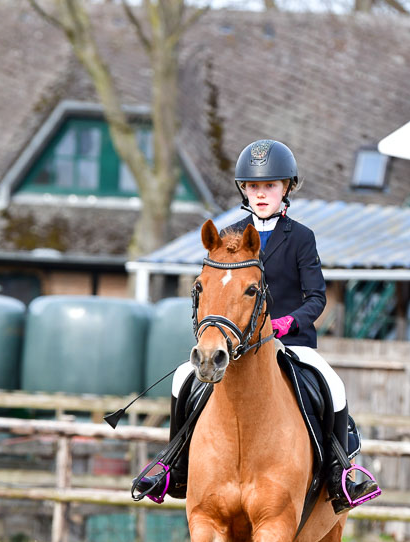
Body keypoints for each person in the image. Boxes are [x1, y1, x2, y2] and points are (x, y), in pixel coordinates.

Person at [134, 139, 380, 513]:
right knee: (183, 376)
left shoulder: (301, 237)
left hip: (290, 341)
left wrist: (287, 322)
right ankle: (174, 465)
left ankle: (340, 473)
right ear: (244, 190)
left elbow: (316, 298)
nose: (261, 194)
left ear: (286, 188)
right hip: (236, 343)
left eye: (270, 186)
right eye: (253, 186)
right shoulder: (228, 236)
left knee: (333, 384)